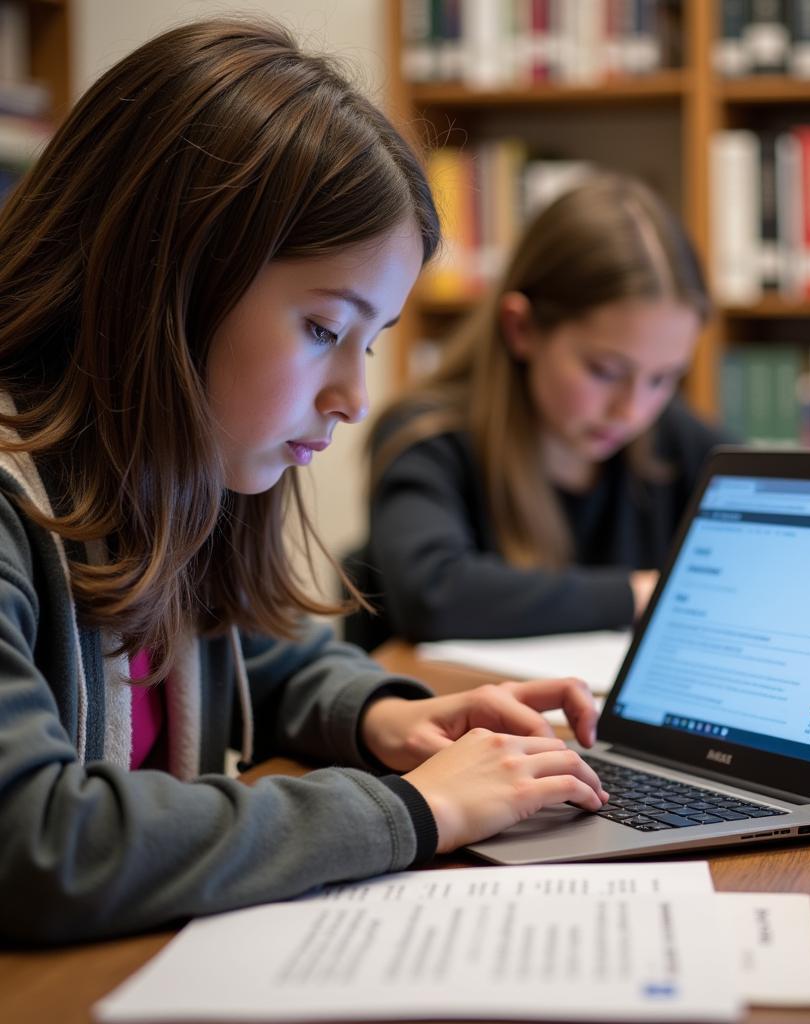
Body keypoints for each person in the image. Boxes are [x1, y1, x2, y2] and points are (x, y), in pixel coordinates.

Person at [0, 18, 607, 947]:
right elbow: (36, 844)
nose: (356, 398)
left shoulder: (157, 485)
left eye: (374, 341)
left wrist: (386, 716)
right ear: (166, 277)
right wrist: (410, 811)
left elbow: (252, 658)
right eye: (325, 329)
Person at [352, 174, 730, 647]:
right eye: (605, 370)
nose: (632, 411)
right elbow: (432, 593)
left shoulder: (678, 441)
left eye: (663, 378)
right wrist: (634, 594)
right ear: (521, 328)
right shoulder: (428, 437)